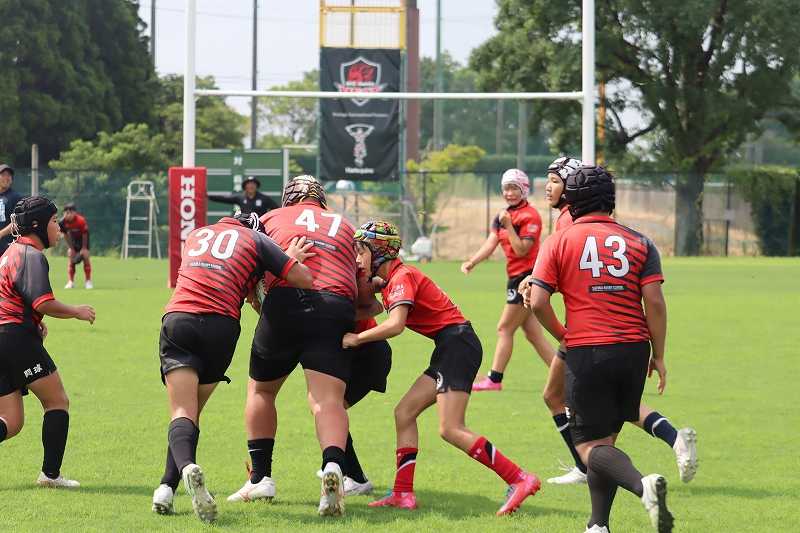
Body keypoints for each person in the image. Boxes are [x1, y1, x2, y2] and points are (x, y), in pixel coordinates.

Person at [343, 220, 541, 516]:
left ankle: (519, 478)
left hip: (458, 345)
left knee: (451, 428)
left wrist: (357, 338)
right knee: (404, 413)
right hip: (450, 345)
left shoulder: (401, 277)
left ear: (379, 251)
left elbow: (396, 325)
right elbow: (380, 305)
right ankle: (402, 493)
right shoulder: (395, 277)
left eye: (361, 251)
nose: (358, 259)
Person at [523, 157, 697, 487]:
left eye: (556, 181)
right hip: (633, 344)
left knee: (589, 427)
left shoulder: (565, 227)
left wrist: (558, 325)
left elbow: (551, 291)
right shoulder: (639, 240)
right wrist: (659, 354)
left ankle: (627, 479)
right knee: (611, 409)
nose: (548, 187)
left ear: (573, 193)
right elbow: (654, 302)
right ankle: (667, 444)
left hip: (585, 337)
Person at [151, 212, 313, 523]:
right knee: (191, 411)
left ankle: (181, 473)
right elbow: (301, 278)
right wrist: (286, 260)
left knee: (183, 412)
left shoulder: (197, 235)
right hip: (221, 327)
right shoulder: (257, 239)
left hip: (180, 320)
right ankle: (166, 489)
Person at [230, 175, 358, 517]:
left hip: (285, 301)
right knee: (327, 400)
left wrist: (255, 297)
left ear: (289, 197)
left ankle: (260, 477)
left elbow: (249, 264)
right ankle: (333, 465)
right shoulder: (345, 225)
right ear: (321, 199)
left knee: (262, 391)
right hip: (335, 305)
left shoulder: (271, 218)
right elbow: (359, 281)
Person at [0, 196, 96, 489]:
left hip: (6, 336)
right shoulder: (31, 255)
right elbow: (43, 302)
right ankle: (50, 476)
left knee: (11, 421)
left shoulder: (9, 252)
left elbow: (13, 297)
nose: (59, 228)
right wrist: (77, 311)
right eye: (54, 221)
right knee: (57, 402)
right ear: (38, 225)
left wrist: (33, 323)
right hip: (14, 339)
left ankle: (50, 476)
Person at [460, 169, 555, 392]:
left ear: (524, 190)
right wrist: (472, 262)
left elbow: (522, 250)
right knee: (533, 334)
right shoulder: (502, 215)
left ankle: (494, 379)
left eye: (514, 188)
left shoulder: (530, 216)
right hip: (514, 278)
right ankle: (566, 374)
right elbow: (491, 242)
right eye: (506, 188)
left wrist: (509, 225)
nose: (510, 193)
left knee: (504, 329)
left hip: (527, 279)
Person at [208, 176, 279, 218]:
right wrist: (208, 196)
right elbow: (225, 198)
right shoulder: (241, 198)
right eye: (249, 184)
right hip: (245, 226)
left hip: (260, 227)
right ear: (245, 187)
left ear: (256, 186)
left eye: (253, 184)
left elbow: (277, 209)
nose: (251, 186)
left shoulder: (264, 198)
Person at [59, 203, 92, 289]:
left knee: (85, 257)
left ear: (74, 213)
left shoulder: (81, 220)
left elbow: (85, 234)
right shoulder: (62, 222)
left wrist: (84, 248)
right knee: (71, 256)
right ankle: (71, 282)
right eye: (66, 212)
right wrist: (71, 248)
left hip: (83, 241)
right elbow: (65, 235)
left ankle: (88, 281)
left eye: (70, 212)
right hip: (73, 242)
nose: (68, 214)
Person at [0, 164, 24, 257]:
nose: (6, 178)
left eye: (9, 175)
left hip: (9, 247)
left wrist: (1, 233)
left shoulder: (16, 197)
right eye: (3, 175)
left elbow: (17, 221)